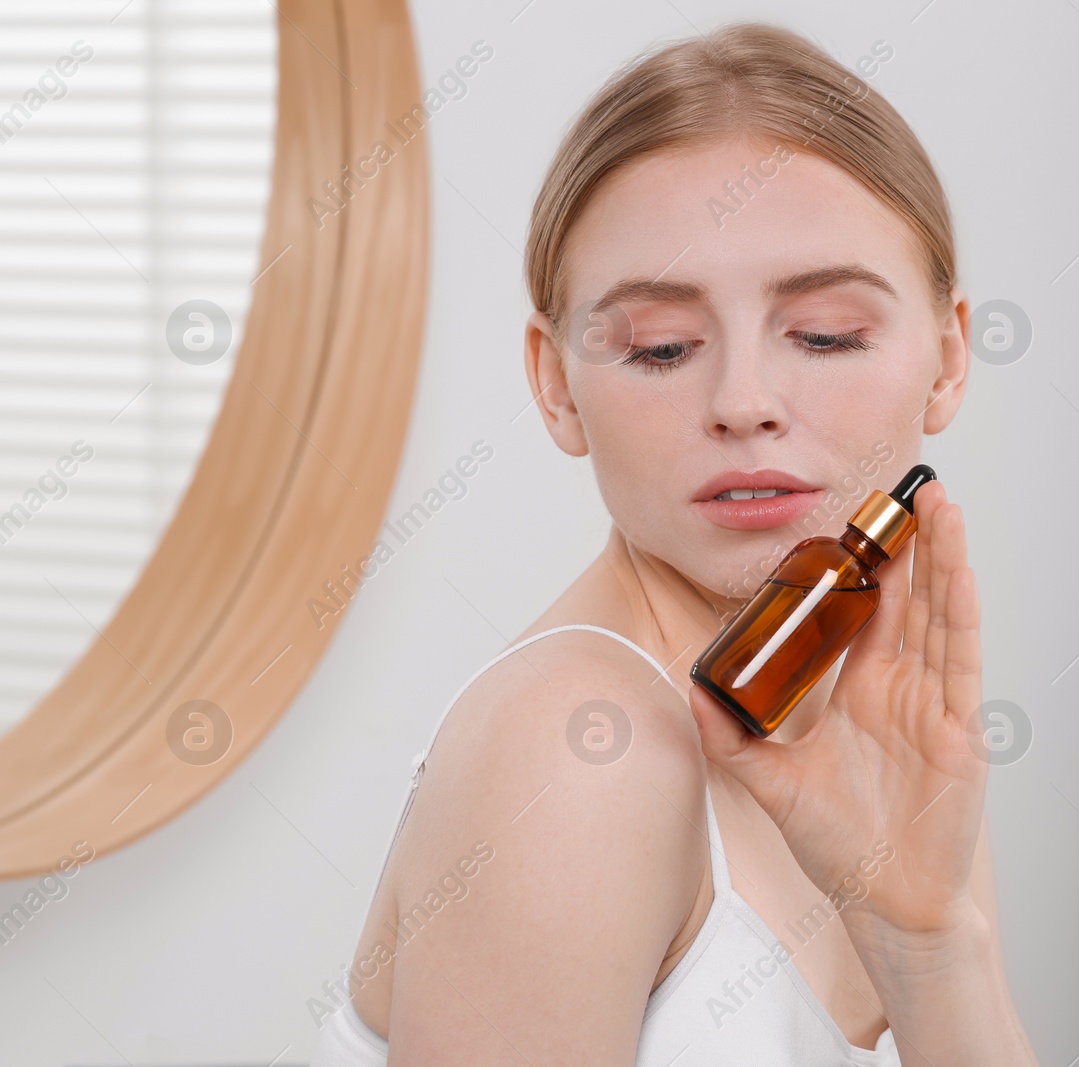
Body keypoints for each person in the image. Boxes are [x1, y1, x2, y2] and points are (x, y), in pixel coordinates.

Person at [310, 21, 1036, 1066]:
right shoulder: (575, 753)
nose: (744, 402)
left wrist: (928, 941)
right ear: (555, 384)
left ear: (948, 355)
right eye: (662, 347)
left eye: (824, 332)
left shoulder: (893, 726)